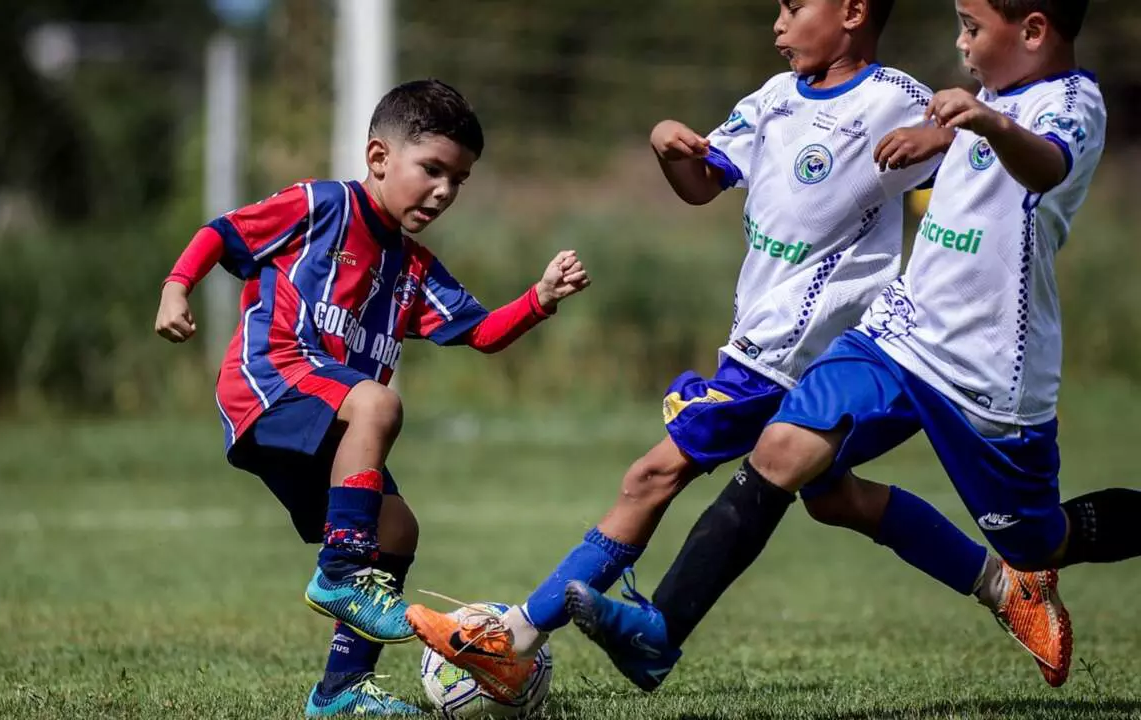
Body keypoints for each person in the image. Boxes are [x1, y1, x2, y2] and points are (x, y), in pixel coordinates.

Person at [405, 0, 1022, 701]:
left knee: (651, 476)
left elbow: (980, 125)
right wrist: (670, 149)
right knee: (835, 499)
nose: (778, 23)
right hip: (760, 347)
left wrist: (934, 139)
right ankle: (1001, 583)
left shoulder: (896, 98)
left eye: (796, 6)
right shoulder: (772, 100)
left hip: (792, 358)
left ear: (853, 11)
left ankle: (514, 638)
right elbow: (704, 183)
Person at [567, 0, 1132, 693]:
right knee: (781, 451)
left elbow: (1044, 166)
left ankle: (1020, 577)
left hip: (990, 373)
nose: (960, 43)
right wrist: (944, 138)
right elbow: (977, 149)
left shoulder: (1073, 102)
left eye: (973, 28)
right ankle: (659, 633)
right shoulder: (992, 96)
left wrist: (977, 122)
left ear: (1036, 31)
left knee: (1038, 541)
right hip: (898, 333)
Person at [154, 78, 590, 716]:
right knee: (378, 404)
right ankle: (341, 574)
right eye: (433, 169)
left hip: (332, 415)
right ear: (379, 158)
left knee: (399, 528)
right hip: (271, 380)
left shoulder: (414, 268)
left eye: (459, 180)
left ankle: (339, 693)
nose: (444, 191)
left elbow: (482, 331)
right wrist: (176, 285)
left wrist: (539, 299)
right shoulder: (320, 206)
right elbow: (222, 233)